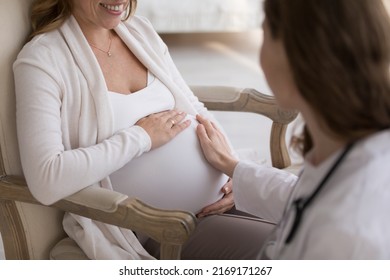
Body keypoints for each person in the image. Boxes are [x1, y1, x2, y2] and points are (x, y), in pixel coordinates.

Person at [13, 0, 274, 260]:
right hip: (165, 228)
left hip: (226, 198)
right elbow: (45, 178)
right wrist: (142, 137)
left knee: (307, 219)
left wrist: (233, 170)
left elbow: (192, 105)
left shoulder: (138, 30)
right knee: (290, 246)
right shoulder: (42, 59)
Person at [196, 0, 390, 259]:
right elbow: (307, 195)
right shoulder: (349, 145)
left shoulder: (344, 235)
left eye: (264, 33)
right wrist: (234, 166)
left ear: (298, 58)